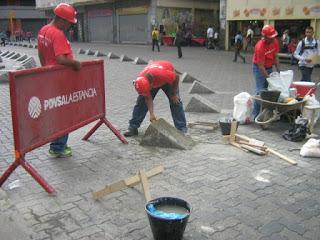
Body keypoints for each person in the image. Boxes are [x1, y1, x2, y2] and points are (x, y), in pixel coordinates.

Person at [37, 3, 81, 157]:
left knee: (57, 113)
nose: (70, 26)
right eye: (69, 22)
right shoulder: (57, 33)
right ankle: (58, 147)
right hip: (60, 81)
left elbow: (41, 53)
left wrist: (45, 69)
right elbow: (61, 59)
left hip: (52, 79)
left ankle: (56, 145)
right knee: (64, 114)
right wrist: (75, 64)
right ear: (62, 19)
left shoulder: (43, 30)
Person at [124, 60, 187, 137]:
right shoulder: (141, 81)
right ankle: (133, 127)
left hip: (167, 78)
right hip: (153, 76)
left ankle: (181, 128)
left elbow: (176, 76)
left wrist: (173, 94)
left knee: (175, 101)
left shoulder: (163, 75)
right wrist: (151, 114)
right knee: (141, 101)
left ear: (151, 84)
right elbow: (147, 98)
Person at [252, 25, 280, 117]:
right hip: (259, 68)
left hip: (269, 67)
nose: (273, 39)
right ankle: (255, 115)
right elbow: (261, 66)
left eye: (273, 37)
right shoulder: (260, 47)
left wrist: (279, 72)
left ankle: (266, 113)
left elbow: (275, 57)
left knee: (269, 90)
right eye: (270, 37)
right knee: (260, 91)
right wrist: (268, 78)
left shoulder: (275, 42)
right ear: (265, 37)